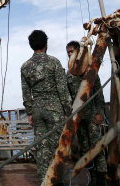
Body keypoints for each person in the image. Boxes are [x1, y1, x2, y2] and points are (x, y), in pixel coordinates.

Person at [20, 30, 72, 181]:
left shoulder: (25, 66)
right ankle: (58, 180)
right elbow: (63, 89)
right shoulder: (54, 62)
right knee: (57, 147)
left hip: (37, 110)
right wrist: (67, 110)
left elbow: (26, 93)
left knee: (41, 149)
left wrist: (30, 112)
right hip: (54, 109)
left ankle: (45, 180)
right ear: (46, 44)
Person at [66, 41, 107, 186]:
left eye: (72, 51)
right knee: (84, 147)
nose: (70, 54)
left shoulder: (90, 70)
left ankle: (102, 179)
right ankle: (91, 178)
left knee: (97, 147)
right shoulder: (69, 74)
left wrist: (100, 113)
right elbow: (69, 96)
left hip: (92, 115)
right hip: (79, 117)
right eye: (68, 52)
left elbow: (99, 94)